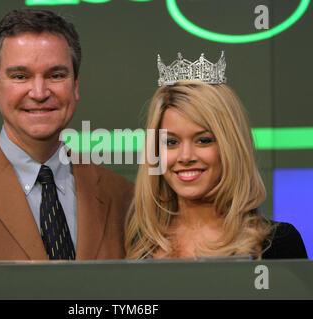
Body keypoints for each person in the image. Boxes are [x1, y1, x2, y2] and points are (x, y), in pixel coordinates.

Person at [0, 8, 133, 265]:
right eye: (20, 76)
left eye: (56, 75)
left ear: (75, 86)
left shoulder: (123, 197)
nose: (39, 92)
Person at [124, 51, 307, 260]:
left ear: (230, 146)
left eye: (203, 140)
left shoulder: (276, 244)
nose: (185, 157)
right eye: (171, 142)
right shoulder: (139, 245)